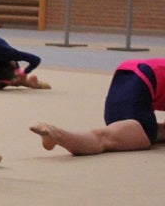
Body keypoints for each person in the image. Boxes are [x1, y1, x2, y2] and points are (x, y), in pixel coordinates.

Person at [30, 58, 165, 156]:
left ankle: (57, 135)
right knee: (104, 139)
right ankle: (59, 135)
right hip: (143, 81)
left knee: (138, 132)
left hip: (128, 73)